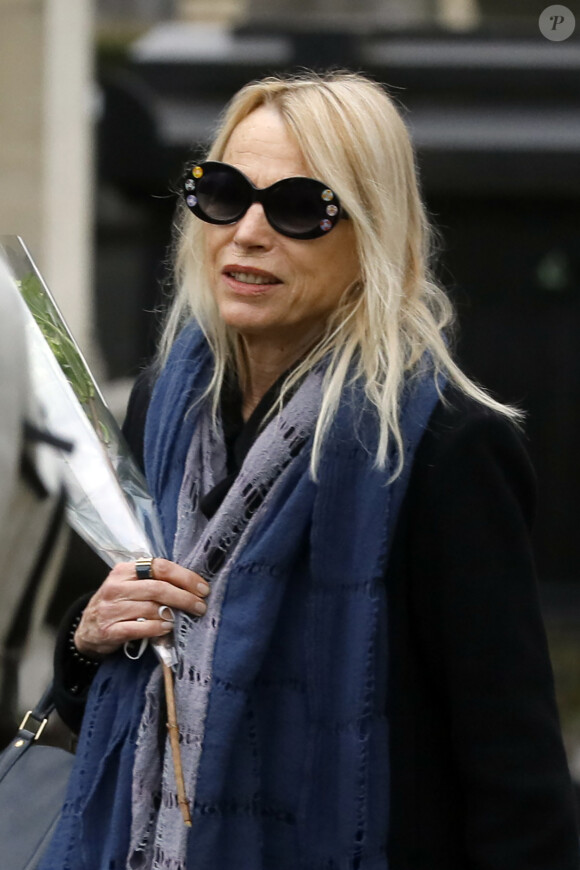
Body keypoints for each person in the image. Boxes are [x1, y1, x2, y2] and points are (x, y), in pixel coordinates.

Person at [42, 71, 578, 870]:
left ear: (373, 234)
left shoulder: (442, 450)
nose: (249, 232)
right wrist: (88, 641)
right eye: (222, 192)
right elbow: (107, 699)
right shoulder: (164, 406)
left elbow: (517, 783)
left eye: (298, 207)